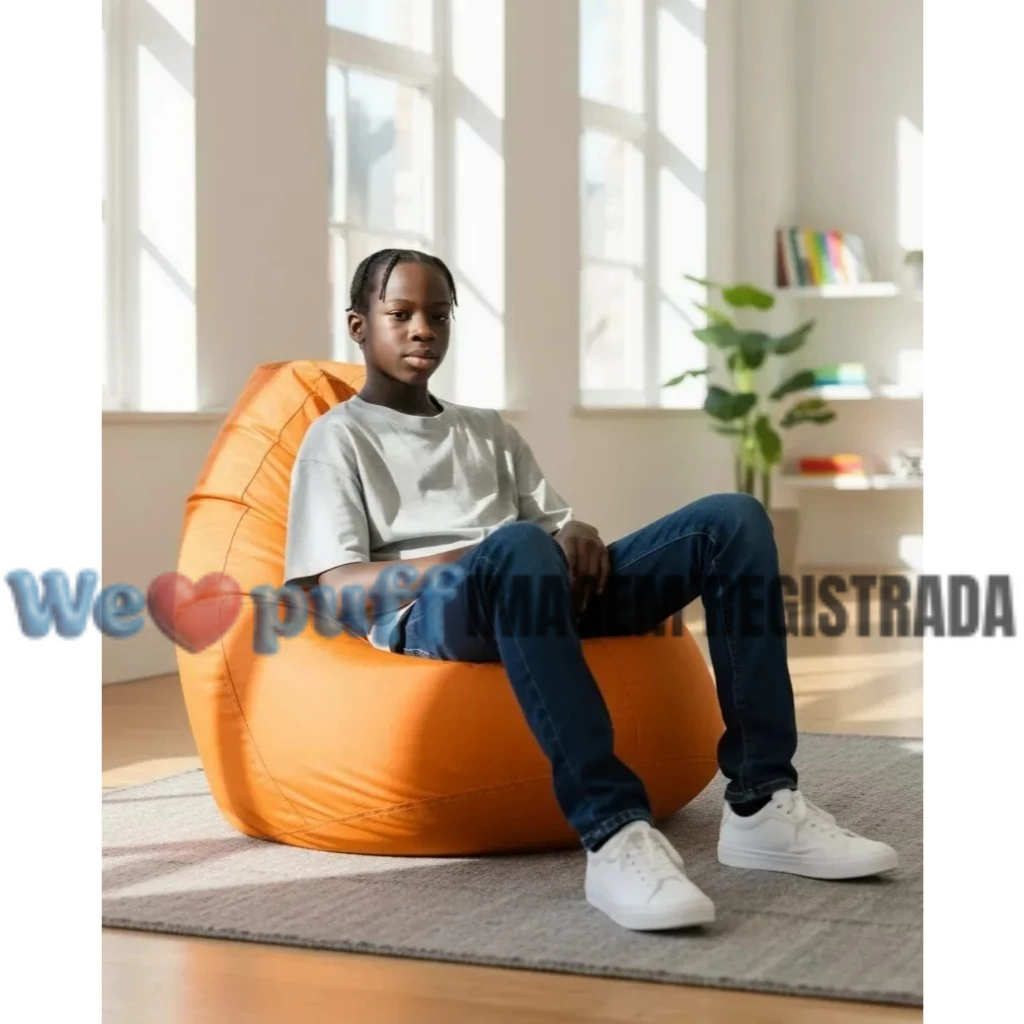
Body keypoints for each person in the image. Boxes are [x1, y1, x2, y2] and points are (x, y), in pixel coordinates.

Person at [284, 248, 898, 932]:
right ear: (359, 326)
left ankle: (763, 803)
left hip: (534, 586)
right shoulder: (336, 439)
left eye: (438, 314)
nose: (422, 329)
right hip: (435, 612)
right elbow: (338, 588)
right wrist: (481, 553)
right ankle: (612, 832)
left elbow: (554, 527)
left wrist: (579, 530)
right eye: (400, 314)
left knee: (733, 520)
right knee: (517, 546)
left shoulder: (488, 429)